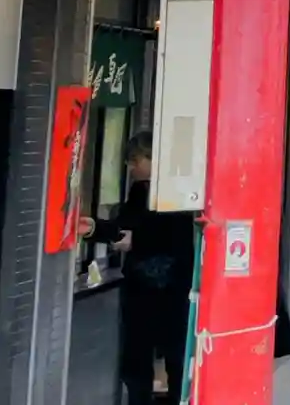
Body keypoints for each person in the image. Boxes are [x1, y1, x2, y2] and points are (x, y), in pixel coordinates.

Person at [80, 136, 194, 405]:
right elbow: (128, 228)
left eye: (135, 160)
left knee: (160, 359)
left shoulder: (172, 192)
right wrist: (96, 228)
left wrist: (129, 237)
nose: (130, 167)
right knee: (150, 361)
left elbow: (156, 234)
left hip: (164, 290)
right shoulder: (145, 190)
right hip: (155, 289)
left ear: (154, 160)